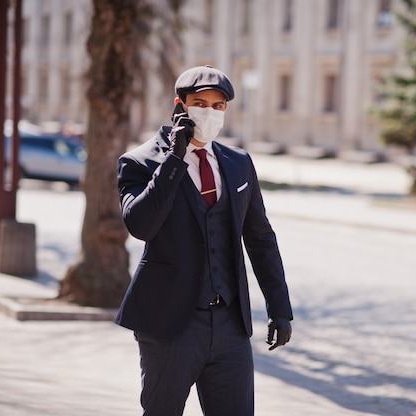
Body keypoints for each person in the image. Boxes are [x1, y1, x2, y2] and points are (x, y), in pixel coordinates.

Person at [114, 65, 293, 415]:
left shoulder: (239, 163)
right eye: (200, 103)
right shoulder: (138, 162)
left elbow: (260, 238)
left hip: (230, 326)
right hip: (169, 325)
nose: (210, 112)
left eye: (218, 106)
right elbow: (141, 225)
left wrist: (279, 307)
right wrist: (173, 159)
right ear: (179, 105)